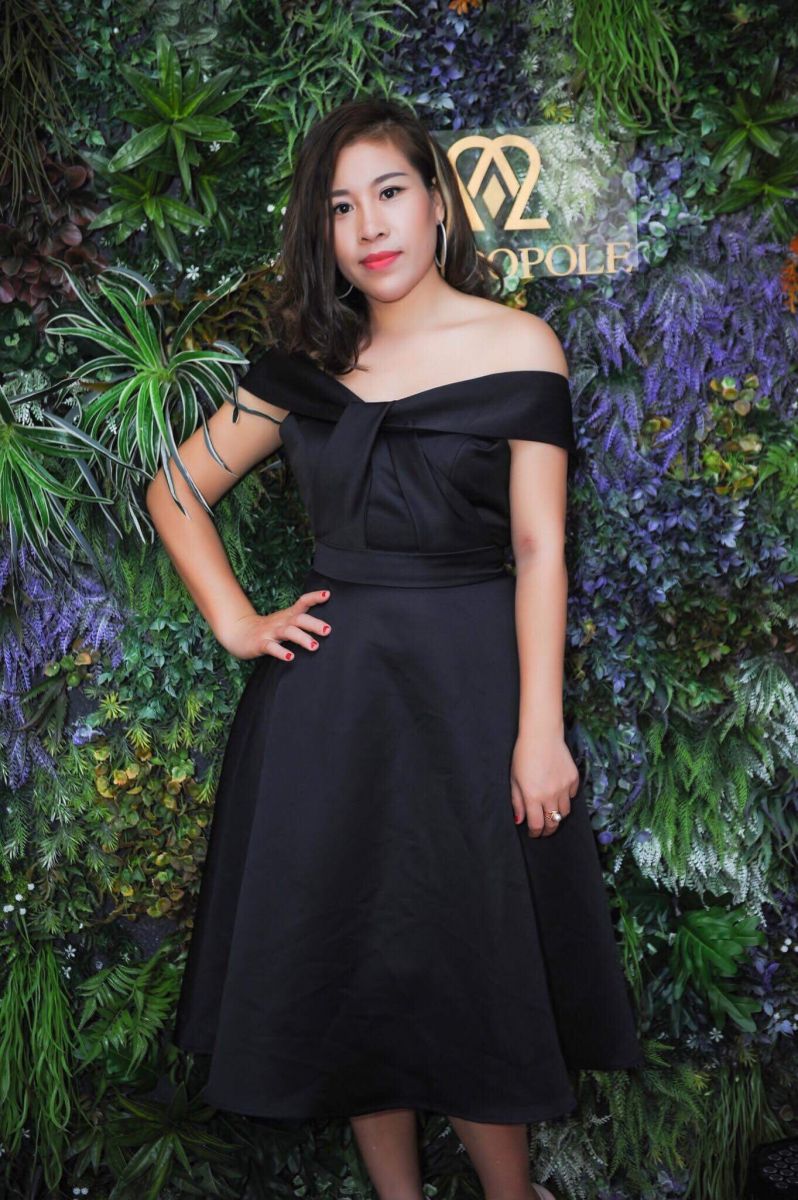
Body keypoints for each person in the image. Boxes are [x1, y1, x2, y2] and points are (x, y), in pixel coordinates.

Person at [146, 96, 645, 1200]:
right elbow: (174, 490)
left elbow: (539, 548)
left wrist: (540, 733)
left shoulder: (519, 345)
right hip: (330, 716)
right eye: (340, 206)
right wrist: (238, 621)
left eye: (388, 192)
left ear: (438, 202)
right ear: (321, 230)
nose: (369, 225)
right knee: (356, 971)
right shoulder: (303, 363)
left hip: (470, 703)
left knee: (475, 972)